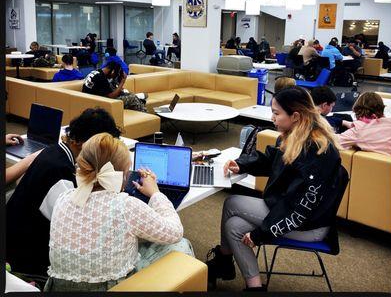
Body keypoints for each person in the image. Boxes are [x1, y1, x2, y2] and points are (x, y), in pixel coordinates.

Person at [205, 86, 344, 290]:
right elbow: (271, 159)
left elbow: (300, 209)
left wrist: (261, 234)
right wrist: (242, 164)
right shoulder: (293, 136)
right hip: (289, 211)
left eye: (276, 113)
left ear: (295, 115)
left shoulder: (316, 150)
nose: (272, 118)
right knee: (233, 226)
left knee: (232, 203)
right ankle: (254, 286)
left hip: (308, 225)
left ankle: (224, 263)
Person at [44, 133, 194, 291]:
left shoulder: (63, 198)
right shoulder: (126, 206)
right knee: (181, 244)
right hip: (112, 288)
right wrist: (155, 193)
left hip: (60, 287)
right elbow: (175, 232)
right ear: (122, 176)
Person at [6, 108, 122, 277]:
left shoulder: (55, 151)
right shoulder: (60, 172)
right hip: (26, 260)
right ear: (82, 143)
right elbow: (73, 228)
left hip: (15, 237)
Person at [82, 61, 146, 112]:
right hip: (99, 103)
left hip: (90, 99)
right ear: (113, 72)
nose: (113, 77)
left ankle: (139, 105)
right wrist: (122, 81)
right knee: (132, 98)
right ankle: (145, 114)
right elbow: (112, 96)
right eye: (115, 74)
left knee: (129, 95)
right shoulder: (102, 78)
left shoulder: (97, 72)